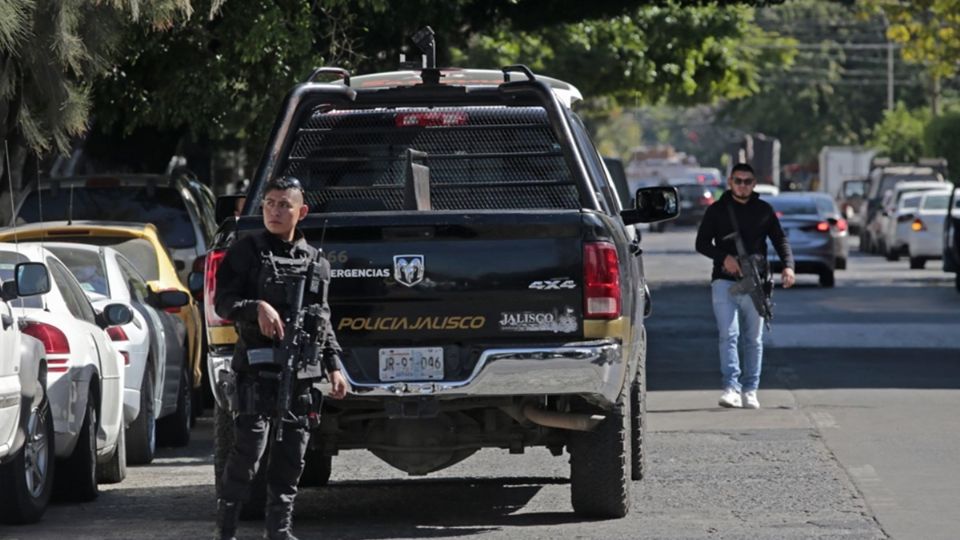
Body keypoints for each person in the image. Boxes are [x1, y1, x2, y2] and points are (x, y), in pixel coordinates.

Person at [213, 176, 349, 540]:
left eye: (284, 205)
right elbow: (222, 303)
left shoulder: (316, 262)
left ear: (300, 212)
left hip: (300, 375)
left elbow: (322, 318)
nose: (275, 210)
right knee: (247, 454)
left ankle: (280, 531)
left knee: (291, 458)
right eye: (270, 203)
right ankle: (226, 530)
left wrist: (335, 367)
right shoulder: (246, 251)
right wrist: (256, 307)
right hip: (257, 371)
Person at [695, 163, 795, 410]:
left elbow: (779, 239)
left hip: (755, 284)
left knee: (753, 339)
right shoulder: (717, 210)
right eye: (738, 181)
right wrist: (724, 258)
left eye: (747, 181)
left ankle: (751, 389)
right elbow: (701, 243)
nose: (742, 185)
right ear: (730, 182)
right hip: (724, 282)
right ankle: (731, 388)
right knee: (728, 335)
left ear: (754, 183)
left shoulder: (764, 210)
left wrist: (788, 266)